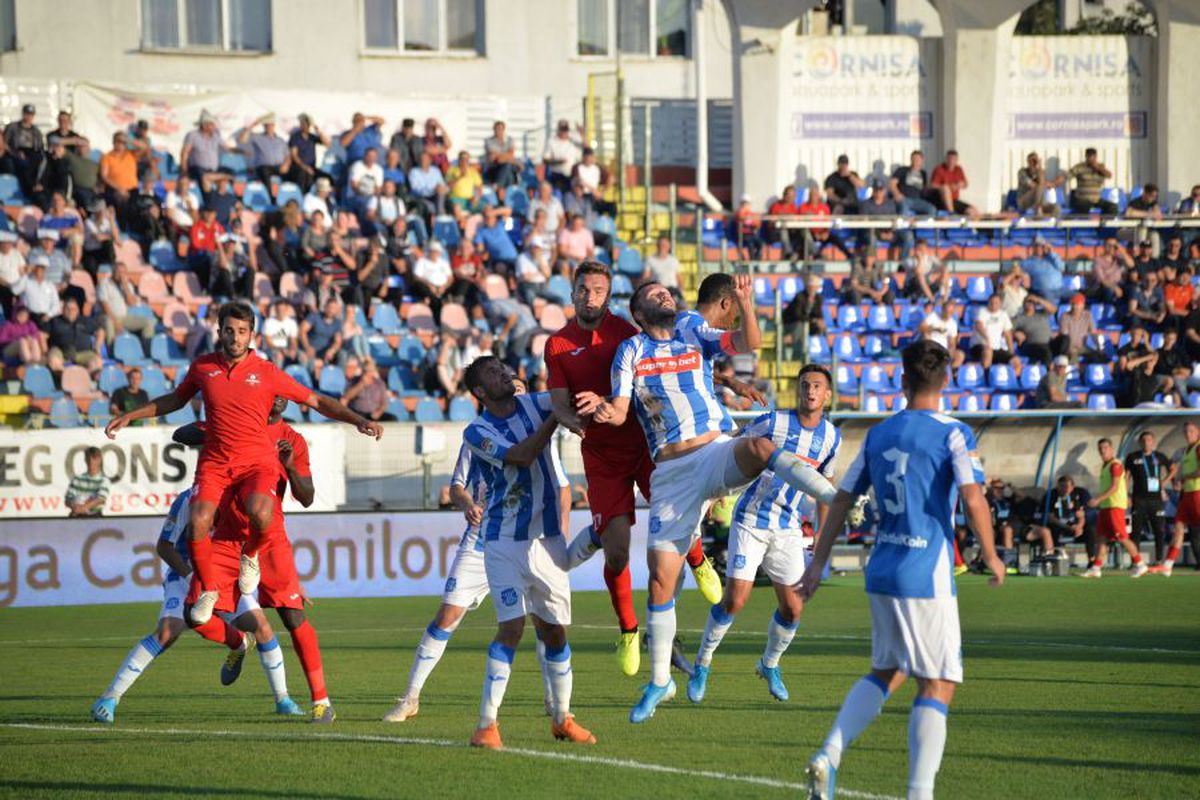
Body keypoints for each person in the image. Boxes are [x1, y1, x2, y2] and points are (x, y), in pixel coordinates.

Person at [577, 278, 837, 723]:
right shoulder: (632, 352)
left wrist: (748, 303)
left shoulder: (692, 329)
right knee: (660, 580)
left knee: (758, 449)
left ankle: (837, 495)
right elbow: (621, 411)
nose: (664, 296)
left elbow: (749, 342)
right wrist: (604, 408)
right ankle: (661, 681)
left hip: (713, 449)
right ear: (638, 314)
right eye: (652, 295)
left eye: (666, 292)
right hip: (672, 473)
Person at [798, 339, 1006, 800]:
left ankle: (829, 755)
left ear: (902, 379)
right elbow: (973, 497)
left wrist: (817, 563)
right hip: (924, 572)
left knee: (888, 670)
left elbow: (842, 499)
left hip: (883, 569)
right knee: (939, 681)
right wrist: (991, 555)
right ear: (947, 380)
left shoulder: (879, 434)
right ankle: (919, 793)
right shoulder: (954, 432)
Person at [104, 302, 384, 626]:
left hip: (254, 462)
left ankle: (250, 556)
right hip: (216, 462)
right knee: (197, 522)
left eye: (242, 331)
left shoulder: (267, 372)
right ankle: (209, 588)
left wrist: (357, 420)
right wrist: (130, 416)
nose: (235, 337)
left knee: (260, 512)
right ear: (219, 331)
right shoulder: (202, 367)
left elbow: (318, 401)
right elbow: (175, 399)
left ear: (252, 334)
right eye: (229, 330)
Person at [546, 262, 722, 676]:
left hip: (646, 444)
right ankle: (628, 628)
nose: (591, 297)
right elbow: (558, 404)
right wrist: (578, 419)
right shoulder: (556, 344)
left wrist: (604, 399)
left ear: (608, 296)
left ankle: (697, 558)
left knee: (679, 514)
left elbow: (665, 370)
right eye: (584, 290)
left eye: (599, 291)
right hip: (602, 457)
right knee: (619, 550)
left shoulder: (628, 334)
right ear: (572, 293)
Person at [385, 377, 569, 723]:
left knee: (543, 621)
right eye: (510, 388)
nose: (516, 394)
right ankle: (410, 697)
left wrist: (557, 535)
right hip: (483, 539)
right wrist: (467, 502)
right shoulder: (478, 435)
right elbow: (456, 486)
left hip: (528, 541)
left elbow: (562, 488)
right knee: (446, 616)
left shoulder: (540, 443)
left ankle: (552, 701)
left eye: (520, 390)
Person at [459, 355, 596, 750]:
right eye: (493, 374)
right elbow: (520, 456)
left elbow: (567, 399)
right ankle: (486, 725)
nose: (504, 373)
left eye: (503, 368)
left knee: (554, 630)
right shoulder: (477, 431)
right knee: (512, 627)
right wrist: (555, 417)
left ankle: (562, 719)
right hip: (503, 541)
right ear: (481, 392)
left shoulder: (536, 403)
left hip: (547, 539)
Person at [172, 397, 337, 722]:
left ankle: (321, 701)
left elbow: (306, 498)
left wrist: (289, 465)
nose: (275, 398)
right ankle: (237, 643)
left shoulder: (293, 440)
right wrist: (215, 432)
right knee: (194, 616)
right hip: (228, 539)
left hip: (270, 540)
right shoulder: (235, 424)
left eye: (281, 393)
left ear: (286, 401)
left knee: (293, 618)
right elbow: (181, 434)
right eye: (270, 391)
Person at [686, 364, 840, 704]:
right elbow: (730, 452)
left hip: (787, 527)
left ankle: (769, 664)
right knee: (735, 600)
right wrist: (715, 491)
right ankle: (702, 663)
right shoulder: (773, 421)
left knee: (793, 609)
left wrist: (822, 537)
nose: (810, 391)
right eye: (805, 385)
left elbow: (825, 488)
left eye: (817, 386)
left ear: (827, 395)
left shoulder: (832, 437)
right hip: (751, 520)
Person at [89, 484, 305, 724]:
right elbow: (164, 546)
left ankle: (283, 700)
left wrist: (288, 583)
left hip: (225, 578)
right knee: (167, 632)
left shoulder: (240, 497)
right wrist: (192, 577)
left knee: (263, 629)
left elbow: (260, 545)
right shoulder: (188, 499)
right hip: (186, 577)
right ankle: (110, 698)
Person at [1081, 438, 1148, 578]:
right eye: (1100, 448)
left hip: (1115, 506)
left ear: (1111, 449)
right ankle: (1096, 568)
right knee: (1102, 538)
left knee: (1122, 537)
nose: (1103, 450)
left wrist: (1098, 499)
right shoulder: (1106, 465)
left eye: (1105, 447)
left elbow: (1115, 486)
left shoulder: (1115, 465)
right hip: (1106, 507)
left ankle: (1141, 564)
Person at [1150, 421, 1200, 576]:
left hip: (1198, 493)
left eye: (1191, 431)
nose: (1188, 434)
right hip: (1187, 494)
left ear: (1198, 432)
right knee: (1178, 528)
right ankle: (1168, 565)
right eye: (1185, 431)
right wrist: (1179, 481)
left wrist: (1185, 477)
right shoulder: (1186, 451)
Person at [1125, 430, 1173, 563]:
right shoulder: (1133, 457)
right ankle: (1136, 561)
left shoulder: (1159, 456)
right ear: (1140, 442)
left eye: (1149, 440)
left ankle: (1159, 560)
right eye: (1144, 440)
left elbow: (1173, 468)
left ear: (1153, 442)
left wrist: (1164, 482)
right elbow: (1126, 477)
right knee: (1136, 531)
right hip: (1139, 499)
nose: (1146, 442)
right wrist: (1125, 495)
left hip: (1156, 500)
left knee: (1159, 530)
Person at [1026, 474, 1090, 560]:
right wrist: (1070, 526)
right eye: (1061, 486)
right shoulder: (1051, 496)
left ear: (1072, 487)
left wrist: (1079, 526)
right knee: (1053, 529)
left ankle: (1092, 563)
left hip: (1071, 525)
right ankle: (1053, 557)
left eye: (1066, 486)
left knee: (1090, 531)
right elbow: (1052, 518)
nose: (1064, 489)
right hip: (1056, 524)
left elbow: (1081, 515)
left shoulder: (1075, 497)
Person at [238, 113, 291, 196]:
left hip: (279, 167)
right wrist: (253, 125)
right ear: (264, 126)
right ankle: (270, 198)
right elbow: (242, 140)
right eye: (267, 125)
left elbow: (288, 155)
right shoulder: (257, 137)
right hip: (264, 167)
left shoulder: (280, 140)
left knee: (293, 173)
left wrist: (286, 164)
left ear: (274, 126)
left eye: (271, 125)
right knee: (264, 171)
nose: (269, 127)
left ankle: (290, 199)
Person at [968, 294, 1014, 370]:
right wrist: (986, 338)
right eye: (991, 302)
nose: (993, 305)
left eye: (996, 303)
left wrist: (1011, 352)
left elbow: (1008, 334)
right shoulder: (982, 311)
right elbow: (978, 325)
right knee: (988, 352)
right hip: (979, 346)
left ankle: (1015, 379)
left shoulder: (1003, 315)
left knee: (1015, 361)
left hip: (996, 348)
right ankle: (986, 376)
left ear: (1000, 304)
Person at [930, 150, 978, 218]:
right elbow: (932, 185)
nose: (951, 161)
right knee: (945, 188)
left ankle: (975, 227)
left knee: (973, 211)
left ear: (957, 160)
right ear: (946, 159)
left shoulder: (958, 169)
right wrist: (949, 187)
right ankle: (951, 214)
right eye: (949, 159)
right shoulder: (939, 169)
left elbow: (966, 184)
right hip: (941, 201)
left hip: (954, 200)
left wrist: (959, 185)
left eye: (954, 159)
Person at [1068, 148, 1116, 215]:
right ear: (1086, 157)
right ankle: (1085, 224)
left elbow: (1109, 175)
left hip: (1096, 199)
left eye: (1093, 157)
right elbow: (1067, 175)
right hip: (1083, 199)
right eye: (1089, 157)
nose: (1091, 159)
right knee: (1084, 207)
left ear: (1096, 157)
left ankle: (1105, 223)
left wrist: (1098, 168)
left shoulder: (1101, 167)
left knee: (1112, 207)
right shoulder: (1080, 167)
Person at [889, 150, 937, 216]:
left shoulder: (923, 173)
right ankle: (903, 226)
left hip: (918, 200)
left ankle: (923, 226)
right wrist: (897, 194)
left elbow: (924, 189)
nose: (915, 161)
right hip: (904, 199)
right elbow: (892, 183)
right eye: (913, 159)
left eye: (917, 159)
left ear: (921, 160)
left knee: (932, 209)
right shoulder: (902, 170)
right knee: (904, 208)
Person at [918, 300, 964, 369]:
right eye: (947, 311)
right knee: (926, 335)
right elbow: (921, 328)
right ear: (942, 309)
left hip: (943, 349)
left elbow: (952, 343)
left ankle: (951, 373)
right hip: (931, 347)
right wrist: (935, 329)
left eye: (950, 312)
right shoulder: (933, 316)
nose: (948, 314)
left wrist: (949, 352)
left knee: (960, 355)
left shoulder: (953, 324)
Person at [1016, 151, 1064, 216]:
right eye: (1031, 161)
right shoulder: (1022, 172)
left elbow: (1046, 185)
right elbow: (1032, 185)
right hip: (1024, 201)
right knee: (1039, 188)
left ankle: (1045, 219)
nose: (1033, 163)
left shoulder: (1040, 172)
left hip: (1040, 203)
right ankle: (1038, 211)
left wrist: (1039, 168)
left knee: (1056, 208)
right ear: (1028, 162)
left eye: (1035, 161)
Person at [65, 446, 109, 517]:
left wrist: (85, 507)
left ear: (99, 460)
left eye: (94, 458)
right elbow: (68, 499)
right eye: (88, 458)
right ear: (85, 459)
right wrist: (74, 507)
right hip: (77, 515)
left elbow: (100, 499)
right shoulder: (77, 479)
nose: (91, 461)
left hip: (95, 516)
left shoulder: (104, 480)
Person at [1021, 237, 1066, 305]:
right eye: (1037, 246)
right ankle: (1053, 314)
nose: (1039, 248)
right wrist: (1024, 277)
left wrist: (1051, 252)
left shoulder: (1052, 258)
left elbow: (1062, 267)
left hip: (1060, 289)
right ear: (1034, 248)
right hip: (1043, 290)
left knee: (1078, 296)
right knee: (1050, 299)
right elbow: (1018, 270)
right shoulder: (1028, 262)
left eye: (1042, 246)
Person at [542, 119, 582, 194]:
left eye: (565, 130)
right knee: (557, 197)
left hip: (571, 176)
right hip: (556, 175)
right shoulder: (552, 141)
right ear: (558, 129)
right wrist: (558, 161)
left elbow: (587, 149)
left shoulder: (573, 140)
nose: (564, 132)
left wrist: (582, 133)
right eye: (562, 130)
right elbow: (545, 160)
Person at [483, 120, 518, 187]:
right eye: (497, 128)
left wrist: (500, 156)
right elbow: (493, 157)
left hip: (506, 167)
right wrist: (506, 157)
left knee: (508, 166)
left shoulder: (509, 140)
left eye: (500, 128)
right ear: (494, 130)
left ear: (504, 130)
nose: (498, 130)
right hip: (494, 167)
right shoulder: (489, 141)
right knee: (508, 167)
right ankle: (508, 190)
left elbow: (511, 155)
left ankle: (498, 185)